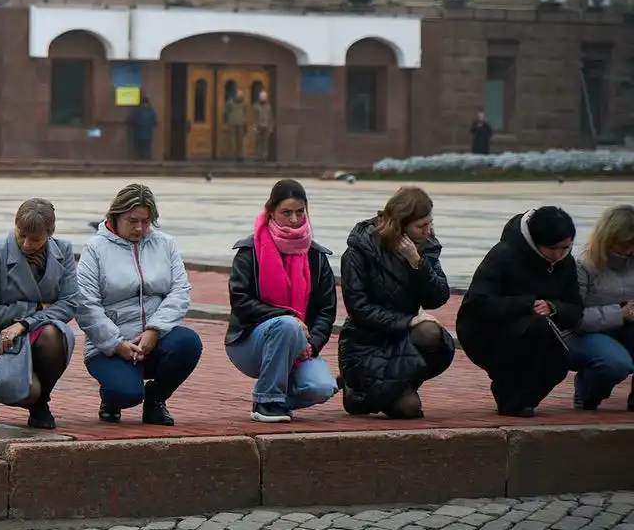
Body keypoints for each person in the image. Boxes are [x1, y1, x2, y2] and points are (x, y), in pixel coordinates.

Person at [77, 184, 203, 425]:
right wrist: (117, 344)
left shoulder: (165, 244)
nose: (139, 228)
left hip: (154, 339)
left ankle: (156, 399)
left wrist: (154, 330)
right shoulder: (95, 249)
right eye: (132, 220)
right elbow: (86, 306)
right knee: (126, 393)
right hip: (111, 346)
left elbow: (180, 291)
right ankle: (111, 397)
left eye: (146, 222)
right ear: (116, 215)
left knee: (188, 342)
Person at [224, 179, 339, 423]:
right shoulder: (250, 251)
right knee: (287, 324)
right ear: (271, 212)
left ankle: (272, 397)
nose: (295, 220)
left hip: (300, 343)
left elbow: (326, 311)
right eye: (286, 213)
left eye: (300, 212)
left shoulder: (317, 257)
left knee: (322, 387)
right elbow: (241, 303)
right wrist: (284, 317)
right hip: (249, 342)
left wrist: (313, 344)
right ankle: (267, 402)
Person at [337, 187, 456, 419]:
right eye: (421, 226)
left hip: (401, 342)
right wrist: (408, 321)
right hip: (365, 345)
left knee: (433, 334)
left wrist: (416, 263)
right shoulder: (359, 251)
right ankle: (358, 391)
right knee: (409, 408)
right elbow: (359, 309)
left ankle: (374, 389)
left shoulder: (424, 247)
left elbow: (438, 297)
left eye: (430, 223)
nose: (428, 231)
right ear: (400, 225)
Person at [0, 198, 78, 430]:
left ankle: (41, 404)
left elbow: (70, 303)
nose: (25, 244)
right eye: (21, 234)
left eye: (35, 239)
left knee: (56, 335)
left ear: (50, 234)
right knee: (26, 392)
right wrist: (38, 307)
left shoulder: (63, 250)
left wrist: (25, 322)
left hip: (31, 332)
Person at [456, 206, 581, 417]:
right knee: (537, 329)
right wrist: (527, 305)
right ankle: (511, 397)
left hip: (540, 332)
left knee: (560, 362)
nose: (559, 255)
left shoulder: (565, 262)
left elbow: (576, 308)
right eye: (553, 249)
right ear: (535, 241)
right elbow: (478, 305)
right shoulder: (503, 255)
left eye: (566, 248)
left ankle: (516, 401)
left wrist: (554, 307)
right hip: (487, 333)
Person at [572, 204, 634, 411]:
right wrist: (621, 313)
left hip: (628, 328)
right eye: (624, 244)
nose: (629, 250)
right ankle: (587, 390)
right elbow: (573, 317)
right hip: (589, 332)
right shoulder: (582, 264)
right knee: (616, 364)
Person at [252, 90, 274, 160]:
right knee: (258, 142)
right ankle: (258, 156)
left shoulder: (268, 106)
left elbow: (271, 117)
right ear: (259, 97)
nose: (263, 98)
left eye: (264, 97)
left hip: (266, 126)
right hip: (258, 126)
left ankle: (264, 156)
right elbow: (253, 117)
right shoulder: (255, 106)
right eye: (262, 96)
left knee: (265, 142)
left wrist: (271, 128)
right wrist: (254, 126)